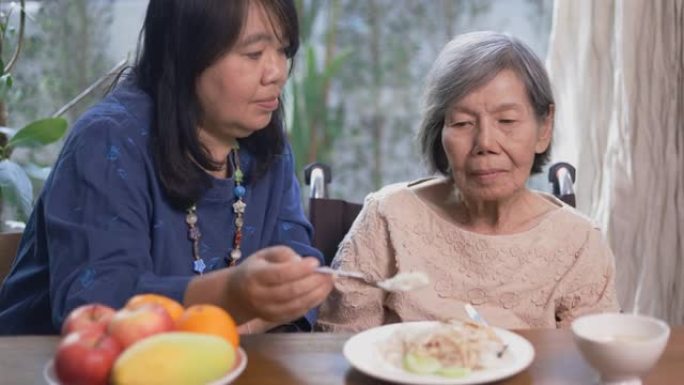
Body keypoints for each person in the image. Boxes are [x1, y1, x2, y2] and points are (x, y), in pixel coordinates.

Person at [0, 0, 334, 335]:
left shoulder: (266, 145)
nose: (276, 72)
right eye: (253, 54)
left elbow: (302, 273)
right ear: (187, 51)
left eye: (284, 50)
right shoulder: (107, 142)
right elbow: (97, 308)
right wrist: (229, 298)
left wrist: (243, 318)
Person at [317, 31, 619, 331]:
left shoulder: (579, 242)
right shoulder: (388, 216)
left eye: (507, 121)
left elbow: (590, 365)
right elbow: (340, 349)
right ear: (440, 133)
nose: (485, 142)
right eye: (462, 122)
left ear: (544, 128)